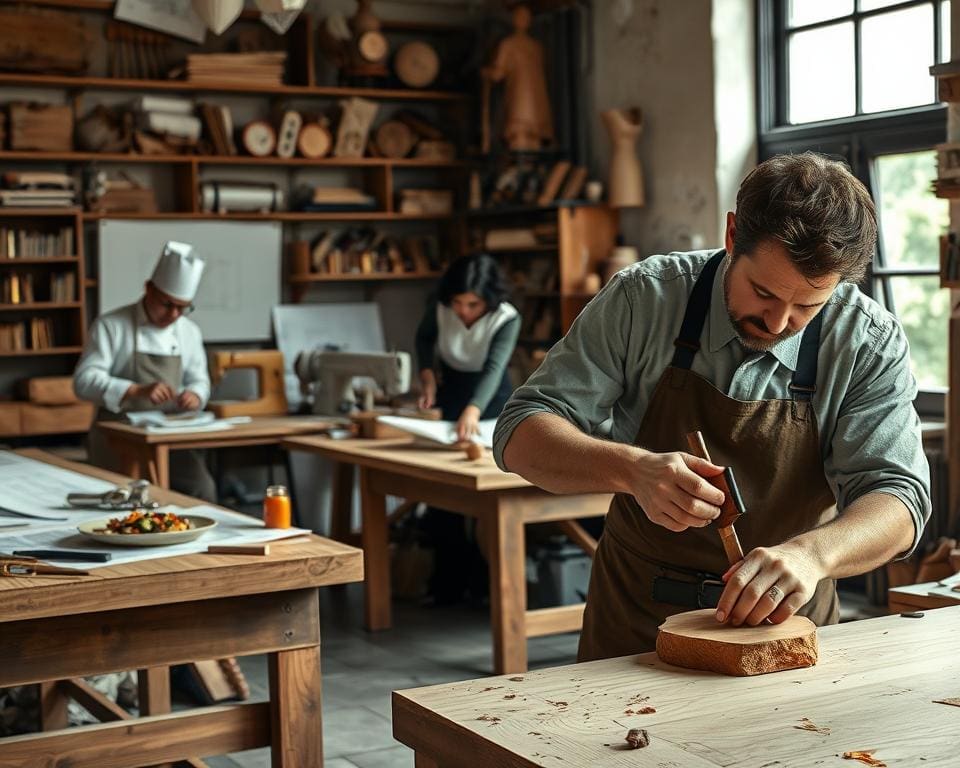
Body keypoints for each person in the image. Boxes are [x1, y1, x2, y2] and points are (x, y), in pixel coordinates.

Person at [493, 152, 931, 659]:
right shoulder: (644, 299)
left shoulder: (866, 340)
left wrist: (812, 555)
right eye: (763, 292)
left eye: (807, 307)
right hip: (638, 620)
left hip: (785, 629)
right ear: (732, 235)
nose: (777, 322)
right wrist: (632, 470)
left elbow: (900, 500)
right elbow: (519, 434)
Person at [74, 241, 216, 502]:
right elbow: (83, 381)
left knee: (202, 491)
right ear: (149, 288)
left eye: (183, 307)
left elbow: (199, 379)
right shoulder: (111, 325)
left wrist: (195, 395)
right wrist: (134, 390)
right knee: (122, 502)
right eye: (167, 304)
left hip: (168, 439)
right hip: (117, 438)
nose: (174, 314)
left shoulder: (189, 332)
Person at [415, 253, 521, 603]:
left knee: (485, 499)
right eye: (458, 303)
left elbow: (493, 369)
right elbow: (423, 340)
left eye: (473, 304)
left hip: (491, 400)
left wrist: (473, 410)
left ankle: (484, 589)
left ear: (488, 299)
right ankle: (446, 586)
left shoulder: (506, 318)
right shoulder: (440, 306)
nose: (463, 311)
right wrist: (427, 377)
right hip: (451, 392)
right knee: (443, 493)